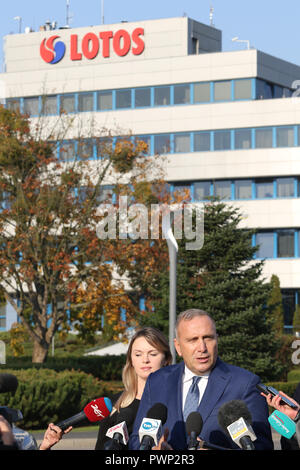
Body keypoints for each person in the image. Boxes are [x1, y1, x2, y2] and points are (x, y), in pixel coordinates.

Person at [129, 308, 274, 450]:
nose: (202, 347)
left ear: (217, 340)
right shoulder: (157, 381)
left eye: (208, 338)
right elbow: (136, 441)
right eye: (193, 340)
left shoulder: (245, 384)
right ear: (178, 347)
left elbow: (262, 446)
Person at [95, 326, 172, 450]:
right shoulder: (115, 406)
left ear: (166, 359)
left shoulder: (176, 403)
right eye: (138, 354)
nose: (145, 360)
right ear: (131, 360)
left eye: (152, 354)